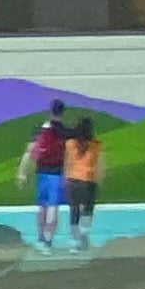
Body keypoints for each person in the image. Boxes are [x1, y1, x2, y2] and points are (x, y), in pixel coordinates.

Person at [25, 103, 72, 248]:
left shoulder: (42, 130)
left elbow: (31, 151)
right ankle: (48, 241)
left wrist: (23, 170)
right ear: (62, 113)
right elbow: (69, 155)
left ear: (50, 111)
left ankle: (40, 237)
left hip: (42, 172)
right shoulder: (64, 132)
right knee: (53, 208)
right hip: (57, 173)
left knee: (42, 207)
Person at [64, 109, 103, 248]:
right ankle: (84, 237)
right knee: (87, 210)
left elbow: (67, 163)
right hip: (88, 180)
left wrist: (66, 178)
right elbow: (98, 164)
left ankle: (74, 239)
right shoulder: (95, 145)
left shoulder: (70, 144)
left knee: (74, 209)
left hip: (72, 180)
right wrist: (99, 180)